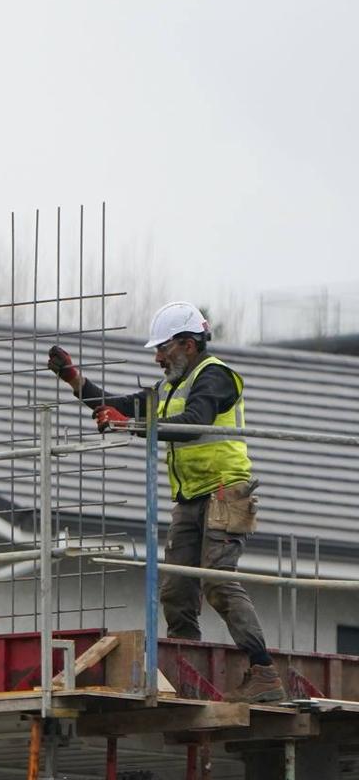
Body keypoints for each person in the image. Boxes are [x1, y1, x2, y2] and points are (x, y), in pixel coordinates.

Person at [47, 301, 286, 703]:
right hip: (191, 496)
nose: (158, 357)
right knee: (176, 588)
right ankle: (184, 665)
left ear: (189, 345)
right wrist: (74, 379)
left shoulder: (216, 378)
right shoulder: (171, 386)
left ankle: (263, 672)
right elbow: (119, 407)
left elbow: (193, 424)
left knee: (218, 581)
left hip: (227, 490)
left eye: (164, 348)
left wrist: (134, 425)